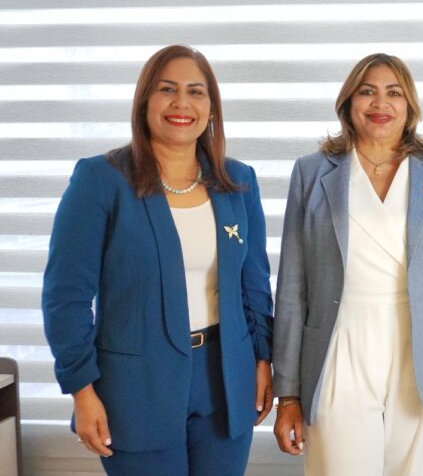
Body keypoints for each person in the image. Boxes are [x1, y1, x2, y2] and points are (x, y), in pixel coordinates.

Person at [42, 45, 274, 475]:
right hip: (135, 389)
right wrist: (81, 389)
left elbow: (255, 283)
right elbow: (65, 297)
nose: (181, 103)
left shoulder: (238, 180)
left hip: (228, 379)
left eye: (195, 92)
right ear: (144, 101)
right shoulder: (100, 179)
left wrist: (264, 360)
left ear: (211, 107)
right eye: (167, 90)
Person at [272, 53, 423, 475]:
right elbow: (293, 288)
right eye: (367, 91)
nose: (380, 103)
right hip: (338, 348)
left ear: (410, 106)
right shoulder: (311, 173)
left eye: (394, 93)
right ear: (348, 102)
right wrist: (289, 394)